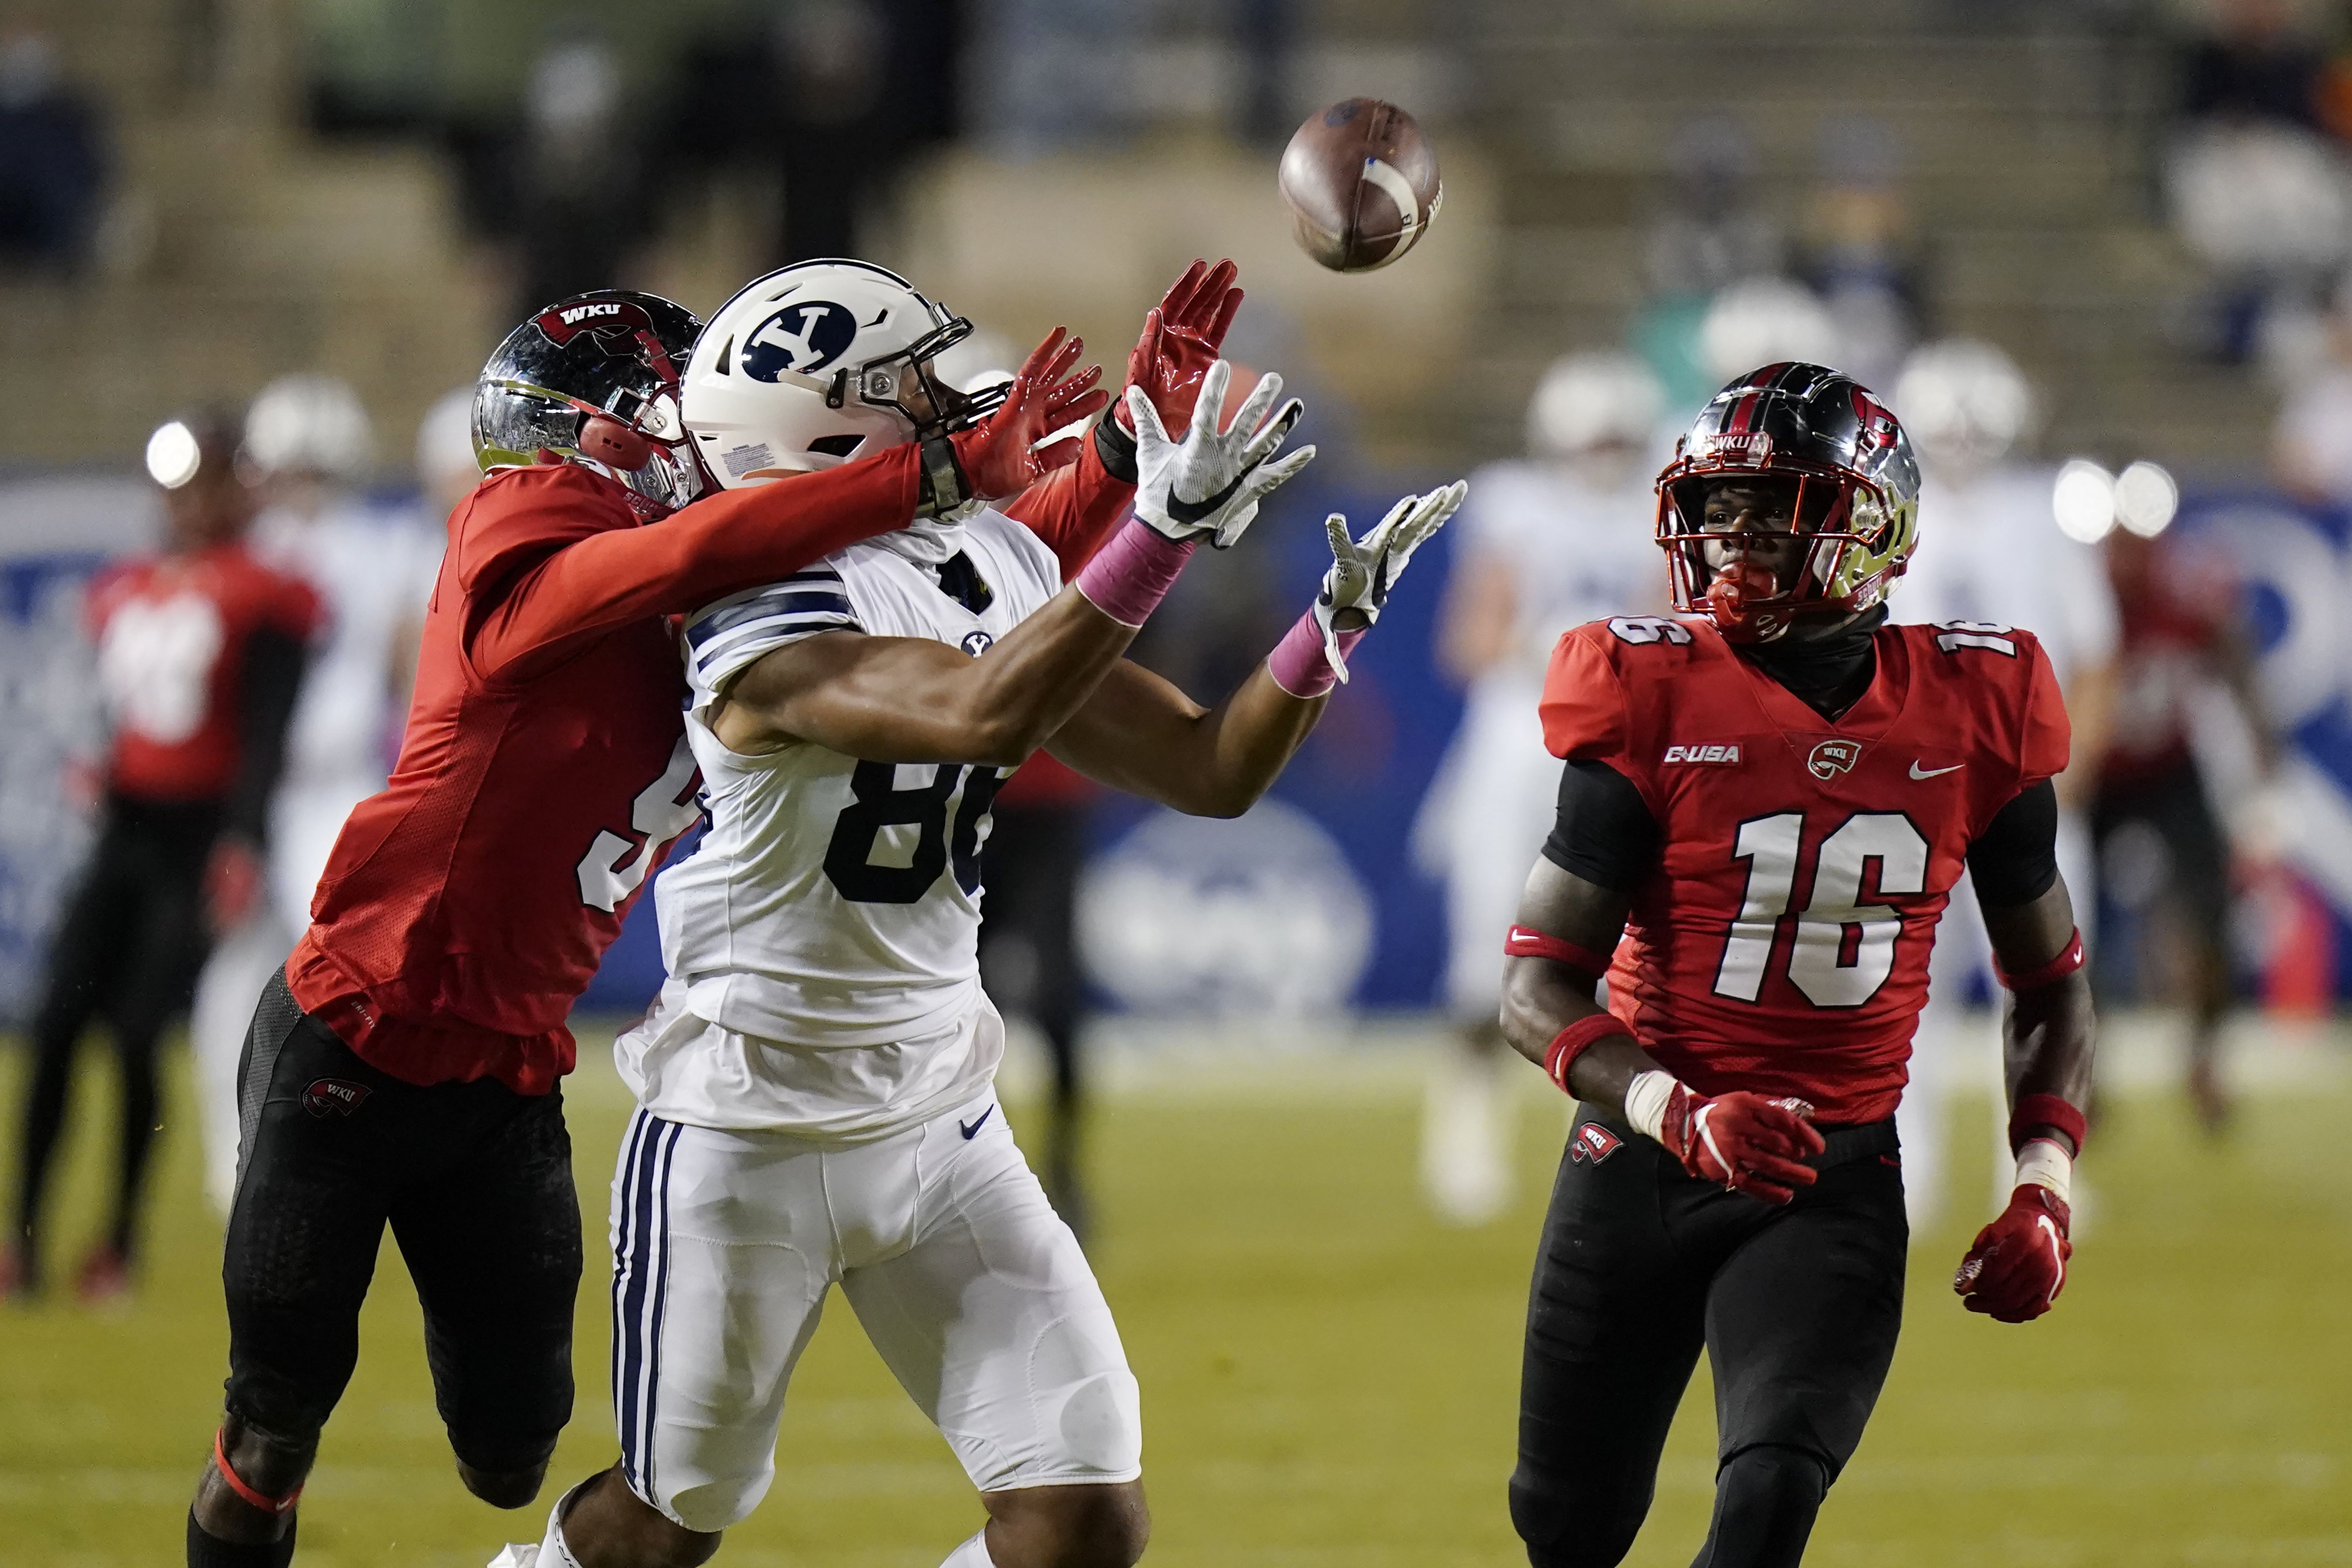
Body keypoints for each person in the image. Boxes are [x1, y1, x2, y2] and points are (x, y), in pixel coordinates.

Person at [184, 261, 1238, 1568]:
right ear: (614, 424)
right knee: (273, 1433)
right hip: (353, 1035)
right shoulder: (531, 529)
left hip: (509, 1065)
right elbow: (703, 547)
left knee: (514, 1456)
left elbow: (986, 593)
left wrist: (1125, 463)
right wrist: (932, 471)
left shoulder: (729, 578)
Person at [514, 263, 1461, 1568]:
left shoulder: (990, 554)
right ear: (828, 424)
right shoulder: (750, 613)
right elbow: (981, 711)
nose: (950, 400)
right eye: (907, 384)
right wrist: (1156, 531)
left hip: (940, 1116)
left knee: (1080, 1520)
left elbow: (1208, 770)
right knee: (663, 1529)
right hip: (750, 1132)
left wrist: (1326, 634)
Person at [1498, 362, 2094, 1568]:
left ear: (1870, 526)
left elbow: (2049, 988)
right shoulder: (1647, 690)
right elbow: (1535, 986)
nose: (1730, 538)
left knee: (1769, 1499)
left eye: (1772, 507)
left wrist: (2046, 1185)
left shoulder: (1980, 702)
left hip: (1830, 1173)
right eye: (1716, 507)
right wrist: (1679, 1109)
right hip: (1641, 1163)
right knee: (1567, 1525)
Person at [5, 415, 316, 1303]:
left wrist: (244, 841)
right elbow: (113, 708)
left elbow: (265, 730)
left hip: (201, 830)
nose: (196, 502)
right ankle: (21, 1237)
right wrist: (96, 763)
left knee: (140, 1032)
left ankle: (118, 1243)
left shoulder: (268, 592)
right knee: (55, 1025)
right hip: (127, 828)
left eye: (212, 482)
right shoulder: (128, 586)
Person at [1416, 350, 1665, 1226]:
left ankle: (1612, 1134)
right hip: (1520, 732)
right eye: (1592, 440)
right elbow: (1468, 640)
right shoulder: (1515, 504)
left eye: (1618, 441)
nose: (1605, 456)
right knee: (1489, 944)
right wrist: (1558, 654)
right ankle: (1467, 1127)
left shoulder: (1656, 510)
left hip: (1620, 740)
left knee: (1631, 951)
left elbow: (1671, 621)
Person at [188, 373, 443, 1217]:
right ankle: (248, 1158)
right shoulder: (367, 543)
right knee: (245, 975)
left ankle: (327, 1152)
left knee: (327, 973)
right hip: (273, 787)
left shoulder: (350, 546)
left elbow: (409, 658)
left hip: (329, 786)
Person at [1886, 338, 2118, 1228]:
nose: (1963, 442)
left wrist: (2079, 767)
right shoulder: (1888, 510)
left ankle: (2040, 1169)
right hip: (1913, 783)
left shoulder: (2047, 513)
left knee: (2048, 984)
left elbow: (2096, 656)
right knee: (1910, 989)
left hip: (2024, 775)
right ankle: (1907, 1166)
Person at [2095, 522, 2275, 1132]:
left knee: (2211, 913)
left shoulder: (2183, 588)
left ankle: (2205, 1057)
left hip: (2170, 768)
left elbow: (2233, 657)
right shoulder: (2080, 590)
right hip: (2092, 773)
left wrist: (2262, 745)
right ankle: (2081, 1073)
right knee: (2069, 928)